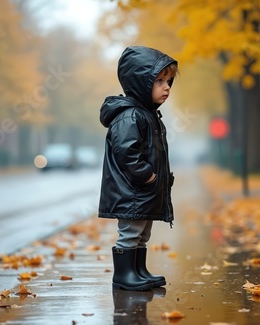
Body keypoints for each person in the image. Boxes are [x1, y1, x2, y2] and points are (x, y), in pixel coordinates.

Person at [98, 46, 179, 291]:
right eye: (159, 81)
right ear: (141, 83)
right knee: (130, 232)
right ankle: (123, 276)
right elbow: (126, 152)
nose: (166, 87)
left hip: (143, 191)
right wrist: (148, 175)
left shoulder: (148, 114)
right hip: (133, 190)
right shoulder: (130, 116)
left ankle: (138, 271)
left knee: (142, 233)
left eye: (168, 81)